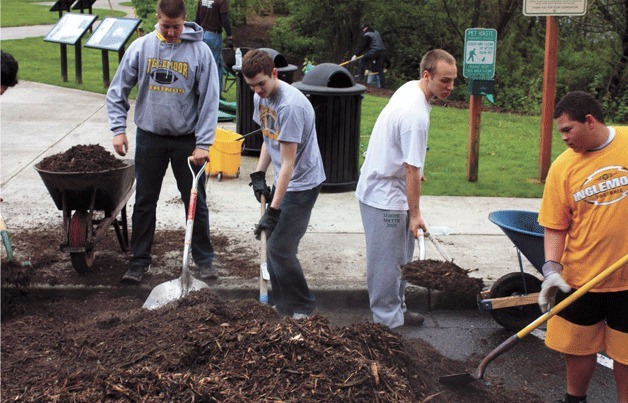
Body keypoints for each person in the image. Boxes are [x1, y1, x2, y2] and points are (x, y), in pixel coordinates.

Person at [106, 0, 220, 283]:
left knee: (195, 200)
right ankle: (139, 261)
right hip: (149, 137)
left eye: (177, 27)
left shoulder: (201, 51)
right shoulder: (142, 47)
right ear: (157, 19)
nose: (171, 32)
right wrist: (118, 129)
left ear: (184, 21)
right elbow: (117, 90)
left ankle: (204, 260)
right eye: (166, 26)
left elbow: (209, 100)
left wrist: (204, 143)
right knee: (144, 200)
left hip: (187, 141)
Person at [355, 49, 457, 329]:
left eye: (453, 81)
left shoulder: (413, 90)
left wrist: (412, 173)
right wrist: (415, 214)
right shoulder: (416, 116)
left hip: (393, 187)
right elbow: (412, 168)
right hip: (382, 195)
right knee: (387, 264)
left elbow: (406, 159)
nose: (450, 87)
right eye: (445, 81)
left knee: (402, 258)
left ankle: (397, 310)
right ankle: (386, 324)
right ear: (427, 75)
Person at [537, 91, 627, 403]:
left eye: (567, 130)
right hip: (581, 279)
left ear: (589, 121)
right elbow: (554, 225)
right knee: (577, 348)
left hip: (627, 281)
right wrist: (551, 268)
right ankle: (574, 400)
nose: (563, 138)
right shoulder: (563, 168)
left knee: (627, 354)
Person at [241, 49, 326, 320]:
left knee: (280, 247)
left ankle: (305, 305)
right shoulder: (261, 98)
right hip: (286, 181)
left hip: (302, 185)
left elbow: (288, 162)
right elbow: (269, 137)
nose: (257, 90)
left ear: (274, 74)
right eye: (251, 85)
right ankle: (285, 303)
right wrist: (258, 174)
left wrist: (273, 211)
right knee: (276, 247)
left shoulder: (290, 106)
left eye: (261, 84)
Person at [195, 0, 232, 94]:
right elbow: (224, 19)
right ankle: (212, 94)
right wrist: (229, 35)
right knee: (213, 66)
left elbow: (197, 18)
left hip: (202, 34)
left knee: (207, 64)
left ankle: (215, 93)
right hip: (213, 36)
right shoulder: (221, 1)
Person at [351, 23, 386, 88]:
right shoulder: (376, 32)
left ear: (366, 28)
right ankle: (383, 86)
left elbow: (363, 47)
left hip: (374, 51)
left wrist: (356, 55)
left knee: (362, 59)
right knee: (380, 68)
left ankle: (361, 80)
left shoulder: (367, 35)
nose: (362, 30)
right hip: (382, 51)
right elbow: (382, 41)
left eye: (363, 29)